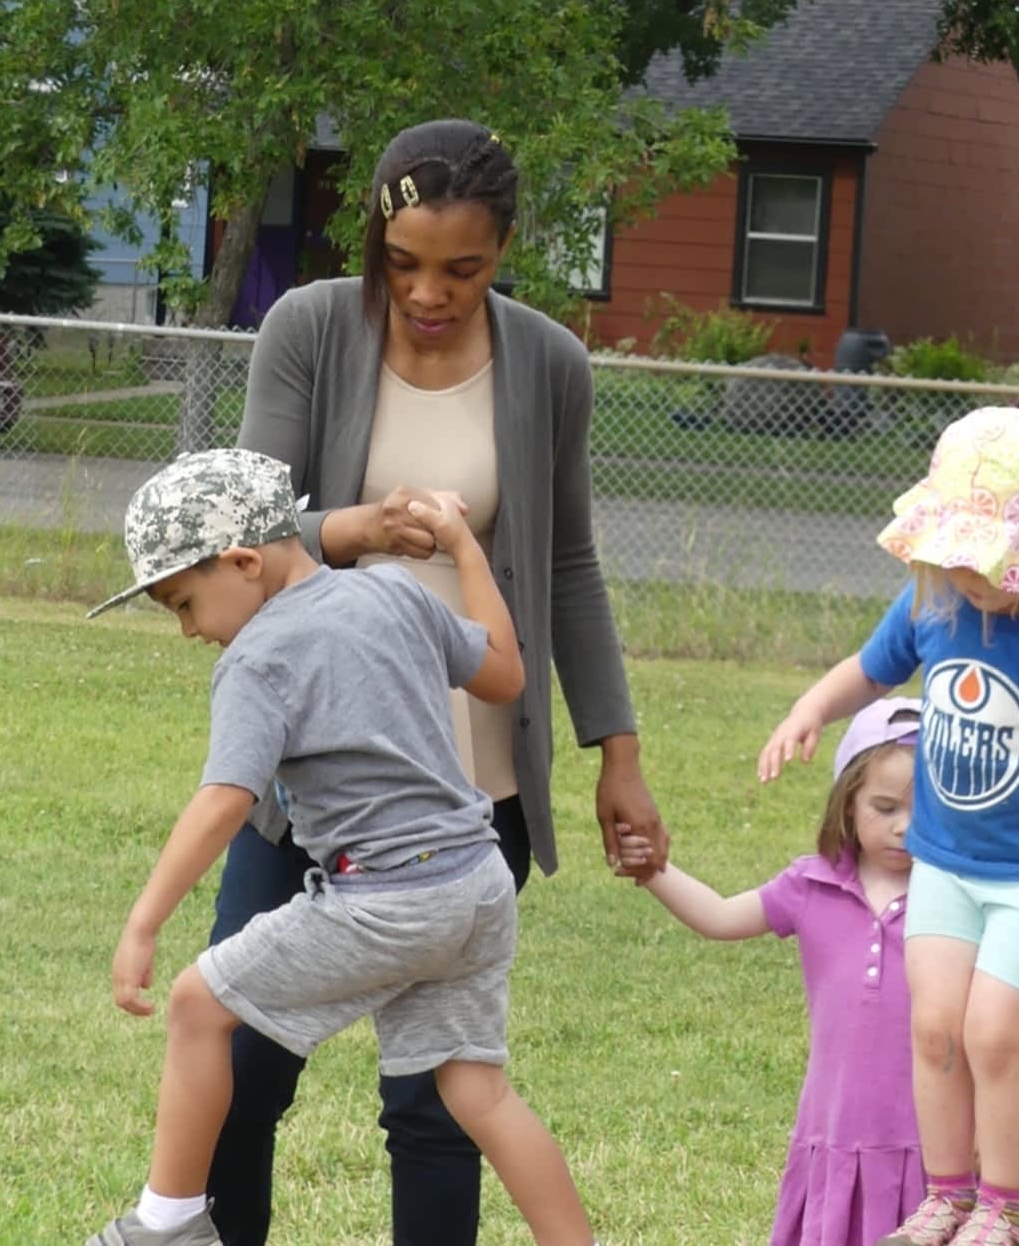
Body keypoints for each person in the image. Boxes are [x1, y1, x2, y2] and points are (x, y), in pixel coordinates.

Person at [220, 118, 668, 1245]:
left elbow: (565, 565)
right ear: (373, 239)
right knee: (240, 1063)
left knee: (435, 1101)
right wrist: (351, 529)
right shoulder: (308, 329)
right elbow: (248, 529)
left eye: (462, 269)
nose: (428, 292)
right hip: (316, 780)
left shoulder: (549, 365)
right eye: (404, 262)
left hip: (469, 792)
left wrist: (615, 751)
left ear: (504, 248)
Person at [82, 447, 597, 1246]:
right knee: (477, 1091)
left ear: (243, 562)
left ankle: (169, 1223)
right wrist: (465, 549)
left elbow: (225, 799)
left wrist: (144, 921)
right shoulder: (392, 590)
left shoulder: (258, 658)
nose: (188, 630)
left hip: (389, 897)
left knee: (195, 1003)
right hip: (478, 880)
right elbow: (503, 674)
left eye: (183, 603)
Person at [758, 406, 1019, 1246]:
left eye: (994, 560)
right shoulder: (930, 609)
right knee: (934, 1031)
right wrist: (810, 711)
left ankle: (1003, 1209)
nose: (976, 577)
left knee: (993, 1035)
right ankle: (947, 1196)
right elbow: (867, 671)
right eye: (962, 557)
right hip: (943, 865)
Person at [615, 698, 924, 1246]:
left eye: (928, 810)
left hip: (928, 1145)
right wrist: (652, 872)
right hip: (833, 1135)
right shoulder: (812, 886)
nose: (905, 828)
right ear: (847, 802)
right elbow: (718, 915)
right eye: (885, 807)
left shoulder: (955, 900)